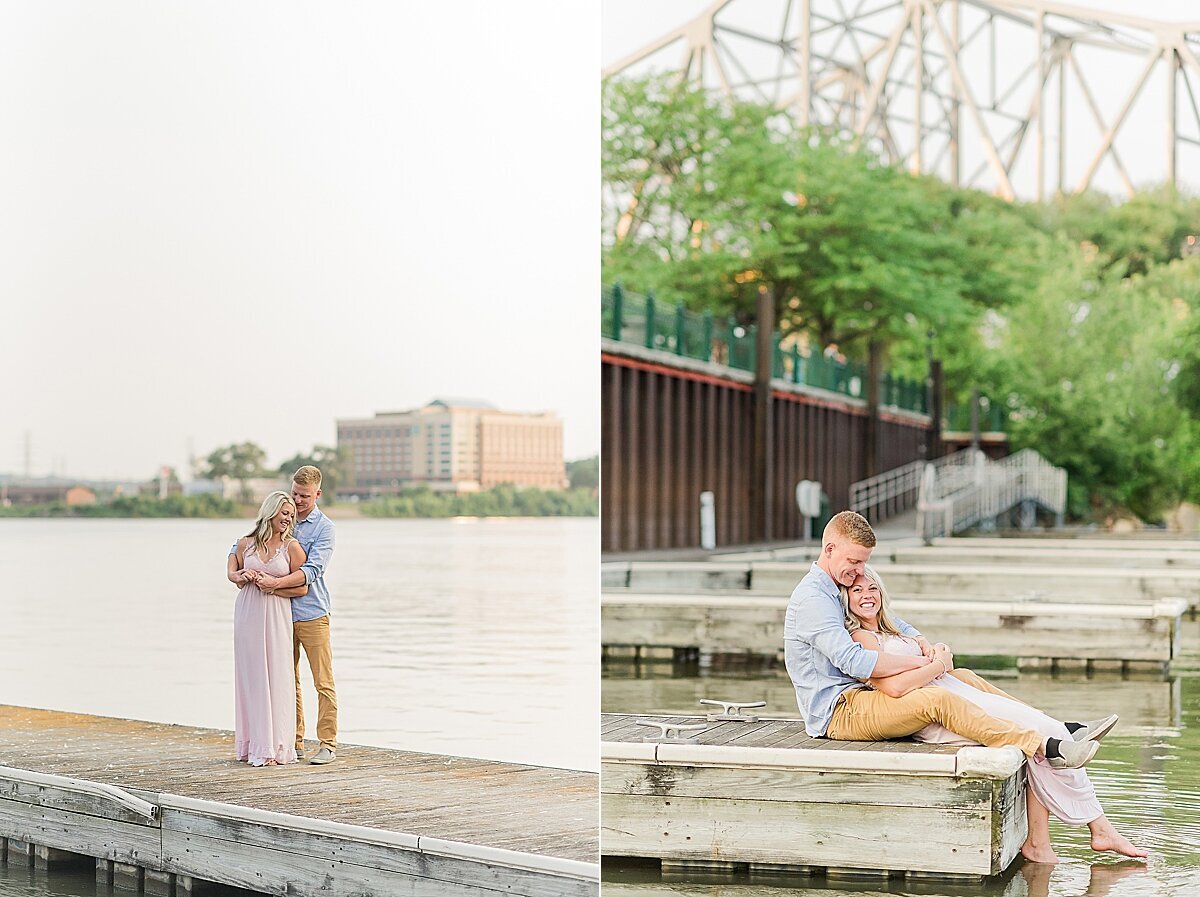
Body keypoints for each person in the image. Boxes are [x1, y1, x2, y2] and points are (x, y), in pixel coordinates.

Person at [843, 565, 1147, 862]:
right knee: (1041, 739)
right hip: (940, 712)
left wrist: (937, 651)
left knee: (1036, 738)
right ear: (848, 600)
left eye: (872, 588)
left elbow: (938, 659)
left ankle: (1042, 843)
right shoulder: (862, 639)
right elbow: (894, 685)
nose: (867, 595)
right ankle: (1095, 823)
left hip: (954, 693)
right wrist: (935, 664)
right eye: (857, 590)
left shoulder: (894, 629)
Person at [783, 511, 1098, 771]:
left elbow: (888, 620)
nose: (859, 571)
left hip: (863, 695)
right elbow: (855, 661)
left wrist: (923, 642)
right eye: (854, 561)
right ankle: (1044, 745)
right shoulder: (814, 600)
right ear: (829, 550)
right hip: (839, 712)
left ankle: (1052, 725)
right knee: (939, 699)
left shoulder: (834, 585)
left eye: (863, 563)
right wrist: (927, 663)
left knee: (962, 677)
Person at [246, 466, 338, 765]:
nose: (298, 501)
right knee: (288, 680)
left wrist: (274, 584)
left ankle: (327, 743)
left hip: (312, 613)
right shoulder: (280, 516)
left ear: (318, 494)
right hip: (279, 616)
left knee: (322, 681)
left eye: (305, 496)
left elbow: (311, 571)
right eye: (295, 494)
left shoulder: (324, 528)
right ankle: (294, 740)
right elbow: (248, 542)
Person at [227, 491, 307, 767]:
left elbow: (302, 586)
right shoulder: (244, 543)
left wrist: (274, 584)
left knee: (276, 676)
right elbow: (234, 575)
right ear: (270, 511)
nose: (289, 518)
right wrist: (239, 575)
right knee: (251, 677)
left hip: (275, 614)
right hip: (247, 613)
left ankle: (275, 746)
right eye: (284, 513)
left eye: (291, 515)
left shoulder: (292, 548)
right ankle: (252, 745)